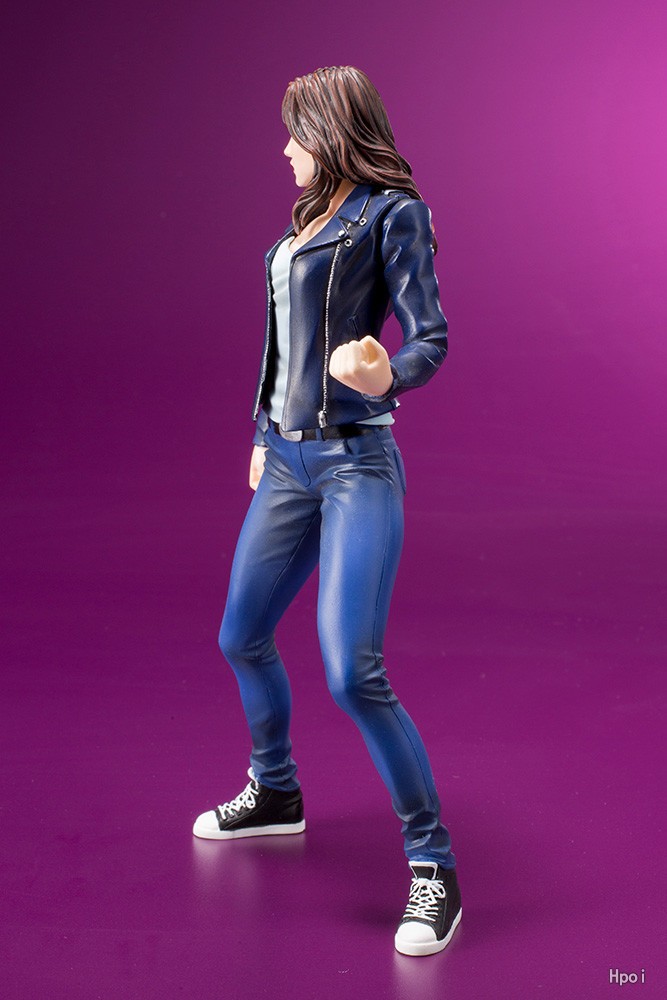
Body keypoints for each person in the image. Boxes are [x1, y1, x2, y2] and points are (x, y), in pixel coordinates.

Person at [193, 65, 461, 957]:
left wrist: (386, 372)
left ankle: (433, 868)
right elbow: (280, 343)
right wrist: (261, 431)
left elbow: (430, 337)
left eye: (295, 132)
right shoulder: (305, 221)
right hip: (286, 461)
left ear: (331, 131)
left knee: (353, 673)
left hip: (355, 465)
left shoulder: (393, 214)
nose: (284, 149)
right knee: (241, 636)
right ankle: (275, 790)